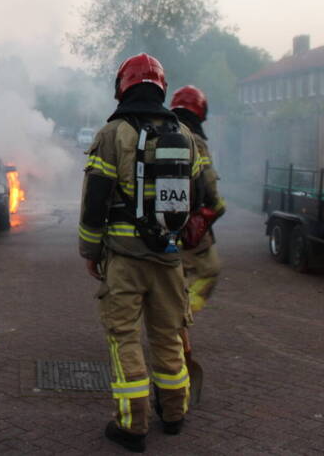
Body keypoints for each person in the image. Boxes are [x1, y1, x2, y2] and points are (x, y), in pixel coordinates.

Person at [78, 53, 199, 453]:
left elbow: (95, 199)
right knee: (168, 335)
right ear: (161, 87)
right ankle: (175, 413)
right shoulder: (183, 133)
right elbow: (193, 198)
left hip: (125, 258)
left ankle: (132, 425)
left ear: (123, 85)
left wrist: (89, 250)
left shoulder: (113, 133)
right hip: (168, 257)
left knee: (124, 336)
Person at [171, 86, 226, 318]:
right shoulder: (196, 141)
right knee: (209, 270)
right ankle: (181, 317)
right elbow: (207, 179)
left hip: (164, 219)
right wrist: (217, 206)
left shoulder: (164, 134)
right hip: (192, 222)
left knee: (175, 275)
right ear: (200, 111)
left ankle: (173, 321)